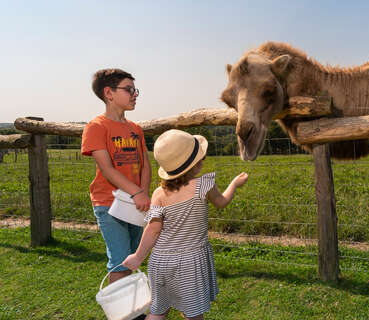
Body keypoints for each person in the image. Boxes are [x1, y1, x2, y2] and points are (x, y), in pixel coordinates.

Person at [123, 129, 249, 320]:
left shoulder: (158, 193)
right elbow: (222, 202)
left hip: (160, 262)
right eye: (201, 157)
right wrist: (234, 184)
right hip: (190, 262)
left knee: (158, 311)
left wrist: (138, 256)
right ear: (195, 165)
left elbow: (153, 229)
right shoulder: (204, 185)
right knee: (193, 313)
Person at [81, 68, 152, 289]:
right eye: (128, 89)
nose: (135, 94)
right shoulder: (96, 127)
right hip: (109, 203)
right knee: (120, 262)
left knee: (132, 258)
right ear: (109, 93)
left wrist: (144, 194)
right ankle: (120, 313)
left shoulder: (135, 129)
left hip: (136, 203)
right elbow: (107, 169)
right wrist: (138, 192)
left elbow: (145, 165)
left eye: (135, 89)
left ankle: (133, 309)